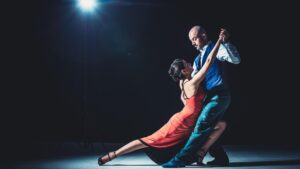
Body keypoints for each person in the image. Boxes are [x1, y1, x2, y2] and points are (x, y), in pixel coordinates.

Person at [98, 29, 227, 166]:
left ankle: (200, 154)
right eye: (187, 64)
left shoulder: (182, 82)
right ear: (184, 71)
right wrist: (218, 41)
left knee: (221, 125)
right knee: (148, 140)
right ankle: (112, 155)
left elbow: (184, 99)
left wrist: (191, 109)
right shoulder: (192, 83)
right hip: (179, 124)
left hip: (188, 121)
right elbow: (208, 62)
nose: (190, 64)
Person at [162, 26, 241, 168]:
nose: (192, 43)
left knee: (203, 123)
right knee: (208, 126)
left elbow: (236, 60)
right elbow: (192, 79)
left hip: (220, 95)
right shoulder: (198, 59)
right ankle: (220, 158)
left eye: (194, 39)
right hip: (209, 97)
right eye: (191, 40)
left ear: (203, 35)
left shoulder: (218, 48)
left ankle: (181, 159)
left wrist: (225, 42)